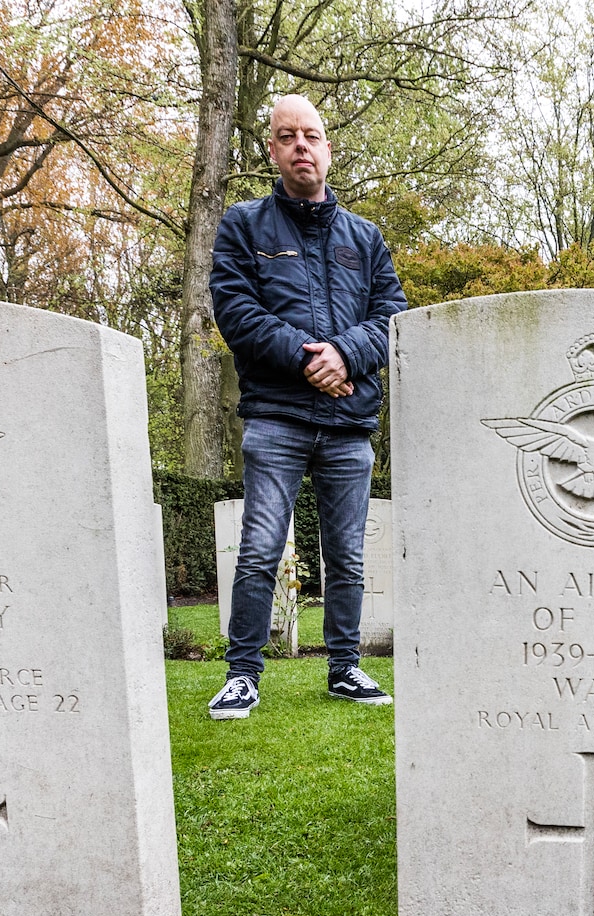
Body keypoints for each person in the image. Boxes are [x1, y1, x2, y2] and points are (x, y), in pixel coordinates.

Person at [205, 93, 407, 719]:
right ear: (271, 148)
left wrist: (345, 355)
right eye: (287, 135)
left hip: (348, 423)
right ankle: (243, 675)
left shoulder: (365, 239)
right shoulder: (243, 226)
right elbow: (236, 312)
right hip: (276, 417)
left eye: (311, 135)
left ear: (327, 147)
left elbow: (393, 318)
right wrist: (306, 357)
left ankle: (344, 668)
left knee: (347, 554)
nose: (301, 145)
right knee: (262, 547)